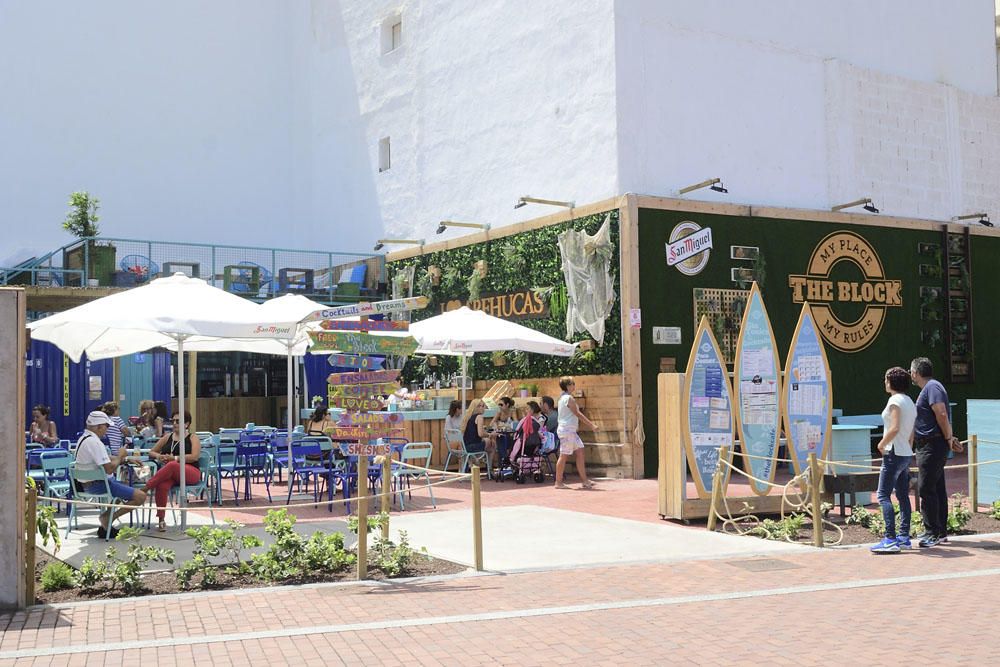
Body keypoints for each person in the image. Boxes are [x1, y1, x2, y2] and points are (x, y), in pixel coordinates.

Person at [910, 357, 962, 548]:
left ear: (916, 373)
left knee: (926, 488)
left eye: (911, 372)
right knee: (937, 487)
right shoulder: (931, 388)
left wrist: (949, 438)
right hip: (928, 444)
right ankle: (939, 532)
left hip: (932, 445)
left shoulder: (932, 387)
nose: (911, 375)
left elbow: (941, 413)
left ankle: (932, 532)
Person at [73, 411, 147, 539]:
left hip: (85, 485)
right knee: (140, 496)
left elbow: (105, 458)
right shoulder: (95, 443)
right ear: (99, 426)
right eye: (106, 426)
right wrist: (120, 455)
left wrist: (126, 459)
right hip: (99, 485)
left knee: (124, 488)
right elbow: (109, 469)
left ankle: (107, 519)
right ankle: (108, 519)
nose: (107, 430)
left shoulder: (84, 439)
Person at [870, 367, 917, 554]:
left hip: (893, 453)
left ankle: (890, 538)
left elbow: (895, 427)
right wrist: (908, 447)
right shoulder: (909, 401)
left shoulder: (895, 400)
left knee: (882, 495)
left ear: (891, 382)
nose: (884, 382)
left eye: (886, 379)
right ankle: (904, 537)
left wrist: (881, 444)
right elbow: (911, 431)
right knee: (903, 495)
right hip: (905, 452)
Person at [143, 411, 201, 532]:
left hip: (191, 471)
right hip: (172, 473)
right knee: (162, 484)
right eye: (173, 421)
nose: (174, 423)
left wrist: (174, 458)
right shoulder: (167, 437)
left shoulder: (193, 437)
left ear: (186, 424)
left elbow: (195, 456)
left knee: (173, 464)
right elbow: (151, 452)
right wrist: (160, 457)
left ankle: (145, 488)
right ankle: (161, 520)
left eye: (178, 421)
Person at [554, 376, 597, 489]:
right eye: (573, 384)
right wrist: (591, 425)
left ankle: (585, 481)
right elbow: (577, 413)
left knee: (580, 451)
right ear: (568, 386)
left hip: (569, 430)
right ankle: (558, 482)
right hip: (567, 430)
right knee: (564, 455)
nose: (574, 386)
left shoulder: (563, 398)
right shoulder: (569, 399)